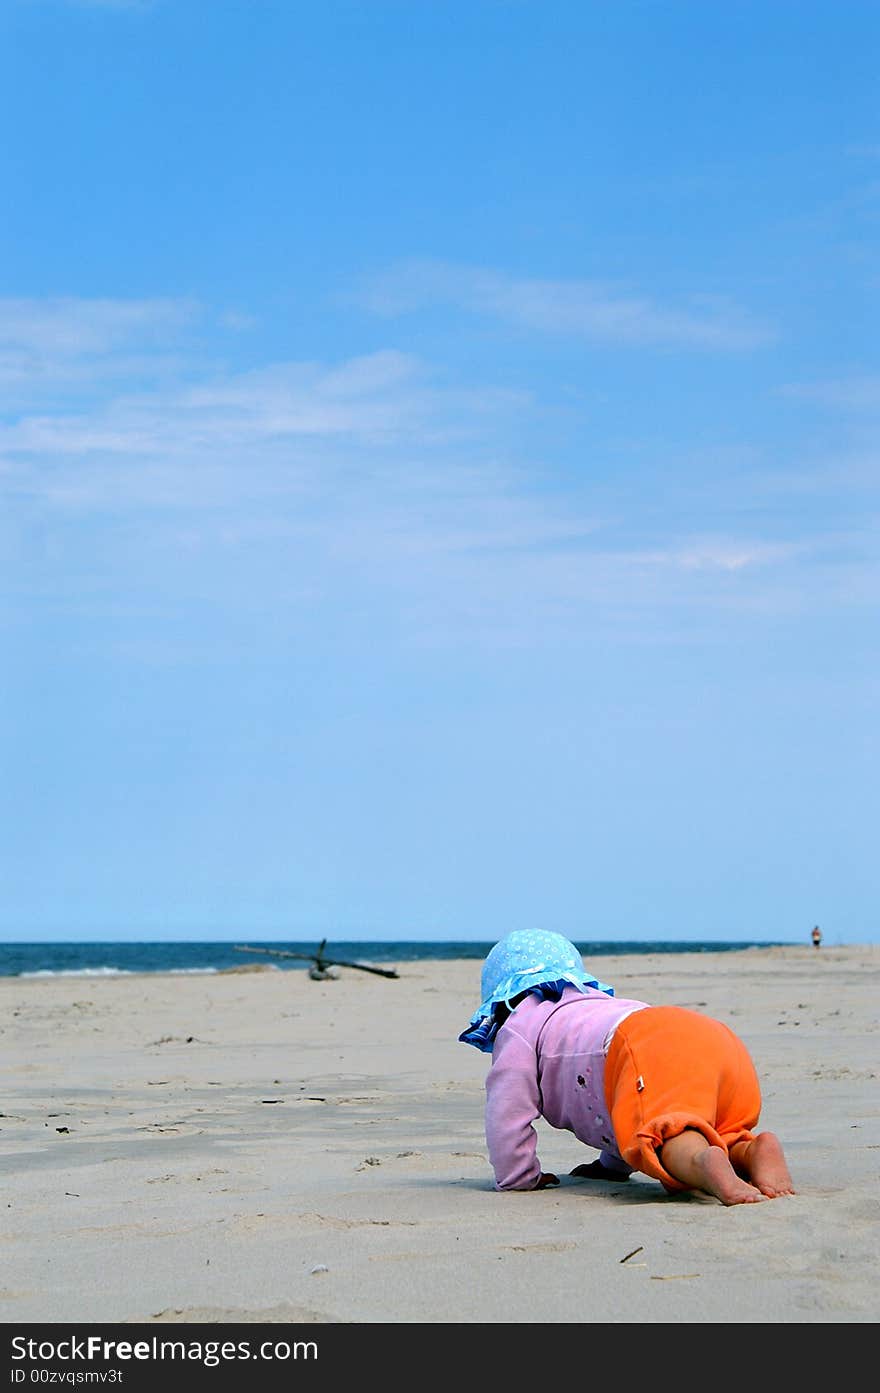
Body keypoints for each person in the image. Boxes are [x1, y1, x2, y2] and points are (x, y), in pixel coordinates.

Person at [459, 929, 795, 1207]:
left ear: (501, 1000)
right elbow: (624, 1098)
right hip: (705, 1034)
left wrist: (517, 1176)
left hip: (643, 1042)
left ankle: (700, 1162)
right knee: (714, 1124)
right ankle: (751, 1151)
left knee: (671, 1135)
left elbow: (507, 1109)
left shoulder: (520, 1027)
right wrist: (612, 1167)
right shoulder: (599, 1006)